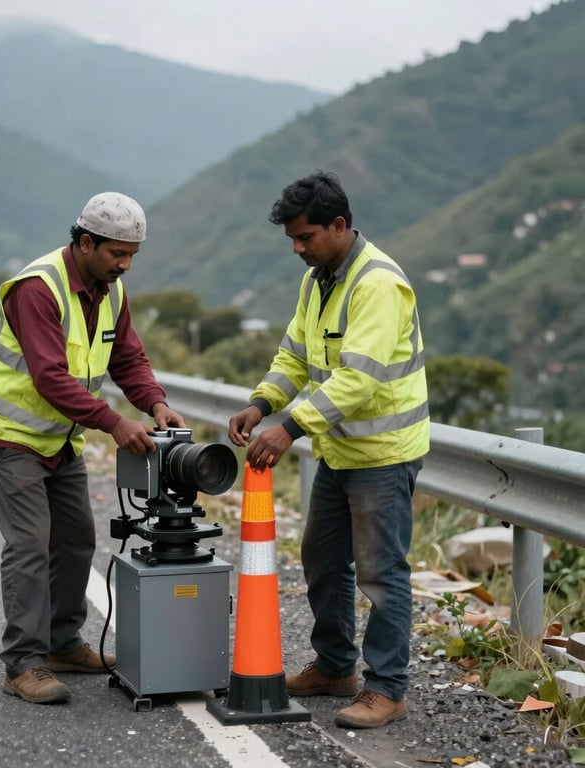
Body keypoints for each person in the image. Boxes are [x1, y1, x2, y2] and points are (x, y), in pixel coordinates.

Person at [228, 171, 429, 729]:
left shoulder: (378, 284)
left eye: (305, 237)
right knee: (321, 559)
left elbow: (358, 379)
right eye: (292, 239)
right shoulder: (319, 278)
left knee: (381, 574)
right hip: (340, 452)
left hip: (383, 455)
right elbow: (295, 353)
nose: (297, 248)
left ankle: (387, 688)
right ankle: (337, 666)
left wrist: (288, 429)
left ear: (339, 226)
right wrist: (262, 403)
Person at [0, 192, 185, 705]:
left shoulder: (110, 291)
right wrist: (114, 423)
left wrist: (155, 404)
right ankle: (22, 663)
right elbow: (49, 376)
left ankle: (63, 644)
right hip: (12, 433)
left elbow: (128, 359)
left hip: (62, 435)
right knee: (29, 545)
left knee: (75, 540)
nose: (125, 265)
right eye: (117, 253)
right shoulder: (37, 289)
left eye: (133, 254)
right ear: (85, 242)